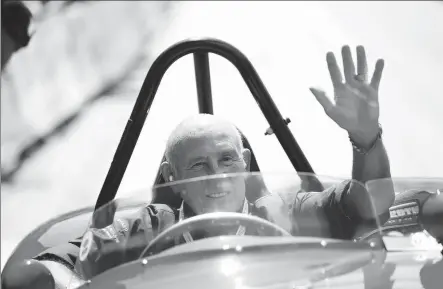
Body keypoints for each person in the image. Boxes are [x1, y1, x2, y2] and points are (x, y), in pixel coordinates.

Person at [8, 45, 395, 287]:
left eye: (227, 159)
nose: (218, 175)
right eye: (198, 166)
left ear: (245, 161)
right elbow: (63, 261)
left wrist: (365, 138)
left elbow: (369, 206)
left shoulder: (287, 214)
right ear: (172, 181)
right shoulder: (147, 228)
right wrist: (52, 278)